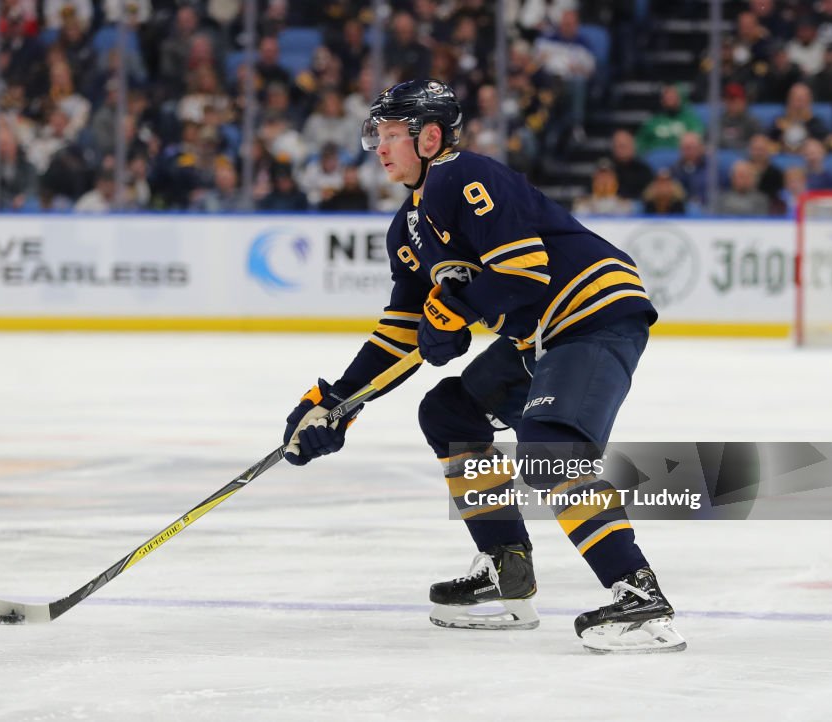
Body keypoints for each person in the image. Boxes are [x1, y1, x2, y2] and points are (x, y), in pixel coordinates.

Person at [280, 79, 686, 654]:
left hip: (592, 312)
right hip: (536, 336)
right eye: (380, 134)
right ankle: (506, 573)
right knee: (449, 414)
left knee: (551, 450)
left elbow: (524, 272)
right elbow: (402, 332)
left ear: (430, 137)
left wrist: (455, 309)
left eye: (393, 134)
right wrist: (337, 401)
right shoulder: (409, 228)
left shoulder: (465, 176)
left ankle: (640, 597)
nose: (380, 146)